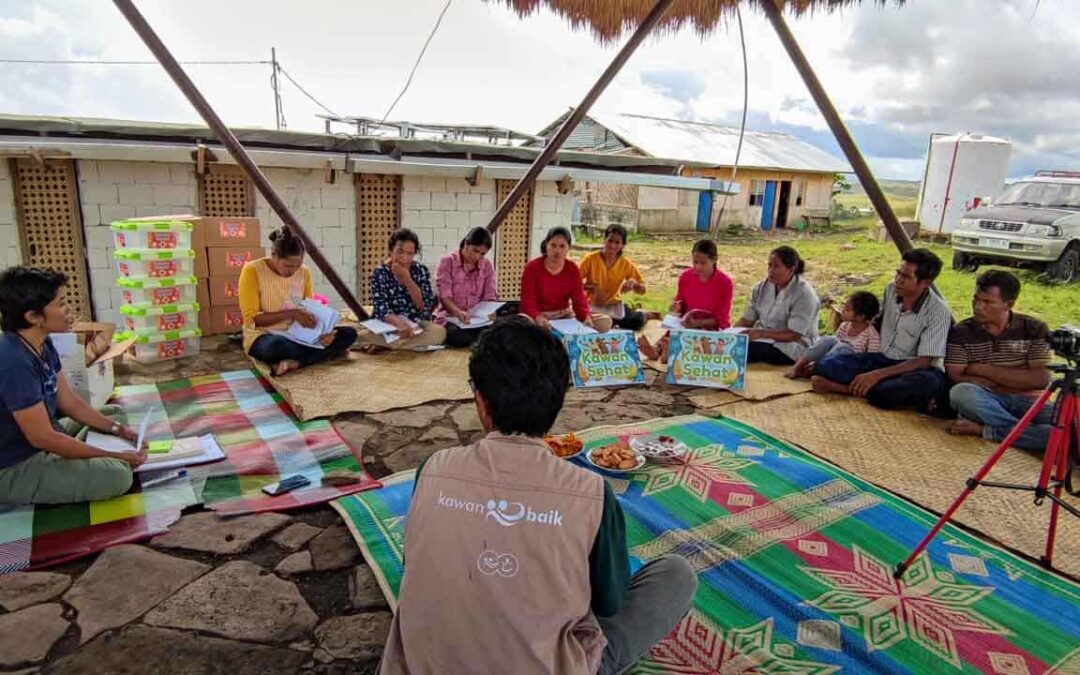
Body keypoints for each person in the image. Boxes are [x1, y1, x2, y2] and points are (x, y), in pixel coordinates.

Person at [381, 318, 696, 675]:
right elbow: (609, 603)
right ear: (558, 403)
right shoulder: (593, 493)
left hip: (424, 664)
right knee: (676, 574)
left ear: (481, 403)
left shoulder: (433, 468)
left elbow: (415, 563)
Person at [0, 266, 144, 505]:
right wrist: (113, 455)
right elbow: (42, 438)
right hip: (15, 464)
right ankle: (97, 458)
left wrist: (119, 431)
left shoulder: (40, 343)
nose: (68, 310)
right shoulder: (13, 362)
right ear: (33, 316)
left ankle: (94, 453)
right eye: (61, 303)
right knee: (118, 476)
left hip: (42, 436)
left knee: (114, 415)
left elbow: (68, 402)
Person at [812, 249, 953, 412]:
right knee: (824, 366)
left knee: (917, 385)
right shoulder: (891, 290)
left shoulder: (939, 312)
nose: (898, 280)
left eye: (906, 277)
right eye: (898, 273)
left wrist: (876, 375)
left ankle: (843, 389)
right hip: (882, 358)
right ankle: (869, 389)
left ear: (925, 283)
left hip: (914, 368)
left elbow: (923, 361)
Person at [946, 270, 1053, 452]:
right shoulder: (962, 331)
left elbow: (1040, 379)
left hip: (1028, 400)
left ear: (1008, 304)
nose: (978, 306)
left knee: (1072, 424)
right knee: (961, 393)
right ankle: (1027, 435)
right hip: (986, 400)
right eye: (976, 299)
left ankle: (991, 431)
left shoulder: (1034, 329)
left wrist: (980, 369)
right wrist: (1016, 379)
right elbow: (956, 376)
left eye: (987, 302)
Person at [240, 228, 357, 376]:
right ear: (274, 256)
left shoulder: (304, 272)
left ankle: (297, 361)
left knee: (349, 334)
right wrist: (293, 313)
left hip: (299, 336)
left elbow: (309, 310)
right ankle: (324, 354)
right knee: (275, 346)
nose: (294, 271)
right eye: (288, 266)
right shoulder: (253, 271)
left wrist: (322, 334)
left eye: (298, 265)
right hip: (264, 335)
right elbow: (252, 320)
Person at [637, 239, 733, 362]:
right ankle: (658, 350)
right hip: (687, 323)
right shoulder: (686, 277)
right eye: (695, 262)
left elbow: (722, 319)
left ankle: (671, 351)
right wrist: (676, 307)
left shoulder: (724, 283)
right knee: (673, 331)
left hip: (711, 327)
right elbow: (681, 303)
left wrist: (698, 323)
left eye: (703, 263)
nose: (698, 267)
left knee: (704, 342)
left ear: (714, 260)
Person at [358, 228, 447, 350]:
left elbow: (424, 306)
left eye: (410, 254)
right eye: (400, 252)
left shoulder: (420, 270)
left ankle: (392, 345)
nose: (404, 258)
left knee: (439, 332)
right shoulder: (380, 272)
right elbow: (380, 307)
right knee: (360, 336)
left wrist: (406, 279)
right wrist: (398, 324)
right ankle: (405, 344)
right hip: (388, 324)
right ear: (390, 250)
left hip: (415, 322)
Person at [735, 246, 820, 365]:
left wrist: (760, 333)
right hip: (764, 339)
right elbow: (747, 319)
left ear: (791, 269)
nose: (770, 270)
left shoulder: (805, 294)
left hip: (794, 346)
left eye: (776, 266)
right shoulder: (761, 287)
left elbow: (794, 334)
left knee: (744, 351)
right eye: (769, 265)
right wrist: (730, 335)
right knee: (732, 345)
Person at [520, 227, 607, 332]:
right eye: (553, 245)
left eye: (562, 246)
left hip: (563, 315)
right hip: (538, 316)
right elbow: (527, 302)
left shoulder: (572, 269)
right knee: (523, 324)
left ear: (568, 248)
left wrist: (585, 317)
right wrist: (537, 317)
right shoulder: (532, 268)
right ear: (546, 245)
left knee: (605, 322)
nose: (557, 250)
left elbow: (579, 300)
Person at [786, 290, 881, 379]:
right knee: (828, 340)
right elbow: (833, 346)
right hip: (832, 361)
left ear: (860, 317)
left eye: (847, 310)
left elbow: (870, 360)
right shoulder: (845, 326)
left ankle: (817, 369)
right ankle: (798, 366)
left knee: (842, 347)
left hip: (850, 367)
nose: (842, 310)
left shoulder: (871, 335)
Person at [435, 227, 499, 349]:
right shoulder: (448, 262)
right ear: (466, 243)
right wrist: (457, 312)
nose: (478, 257)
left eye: (482, 254)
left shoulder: (486, 265)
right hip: (452, 319)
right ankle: (482, 341)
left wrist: (491, 311)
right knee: (456, 335)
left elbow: (490, 295)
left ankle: (481, 340)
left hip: (478, 319)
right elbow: (445, 296)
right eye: (475, 251)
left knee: (503, 329)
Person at [579, 224, 647, 331]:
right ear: (604, 240)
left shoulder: (625, 264)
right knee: (592, 322)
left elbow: (643, 290)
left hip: (613, 305)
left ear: (623, 245)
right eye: (610, 240)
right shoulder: (590, 259)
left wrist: (633, 284)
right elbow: (573, 284)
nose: (612, 246)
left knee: (636, 321)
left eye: (617, 242)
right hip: (592, 305)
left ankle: (645, 315)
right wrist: (592, 288)